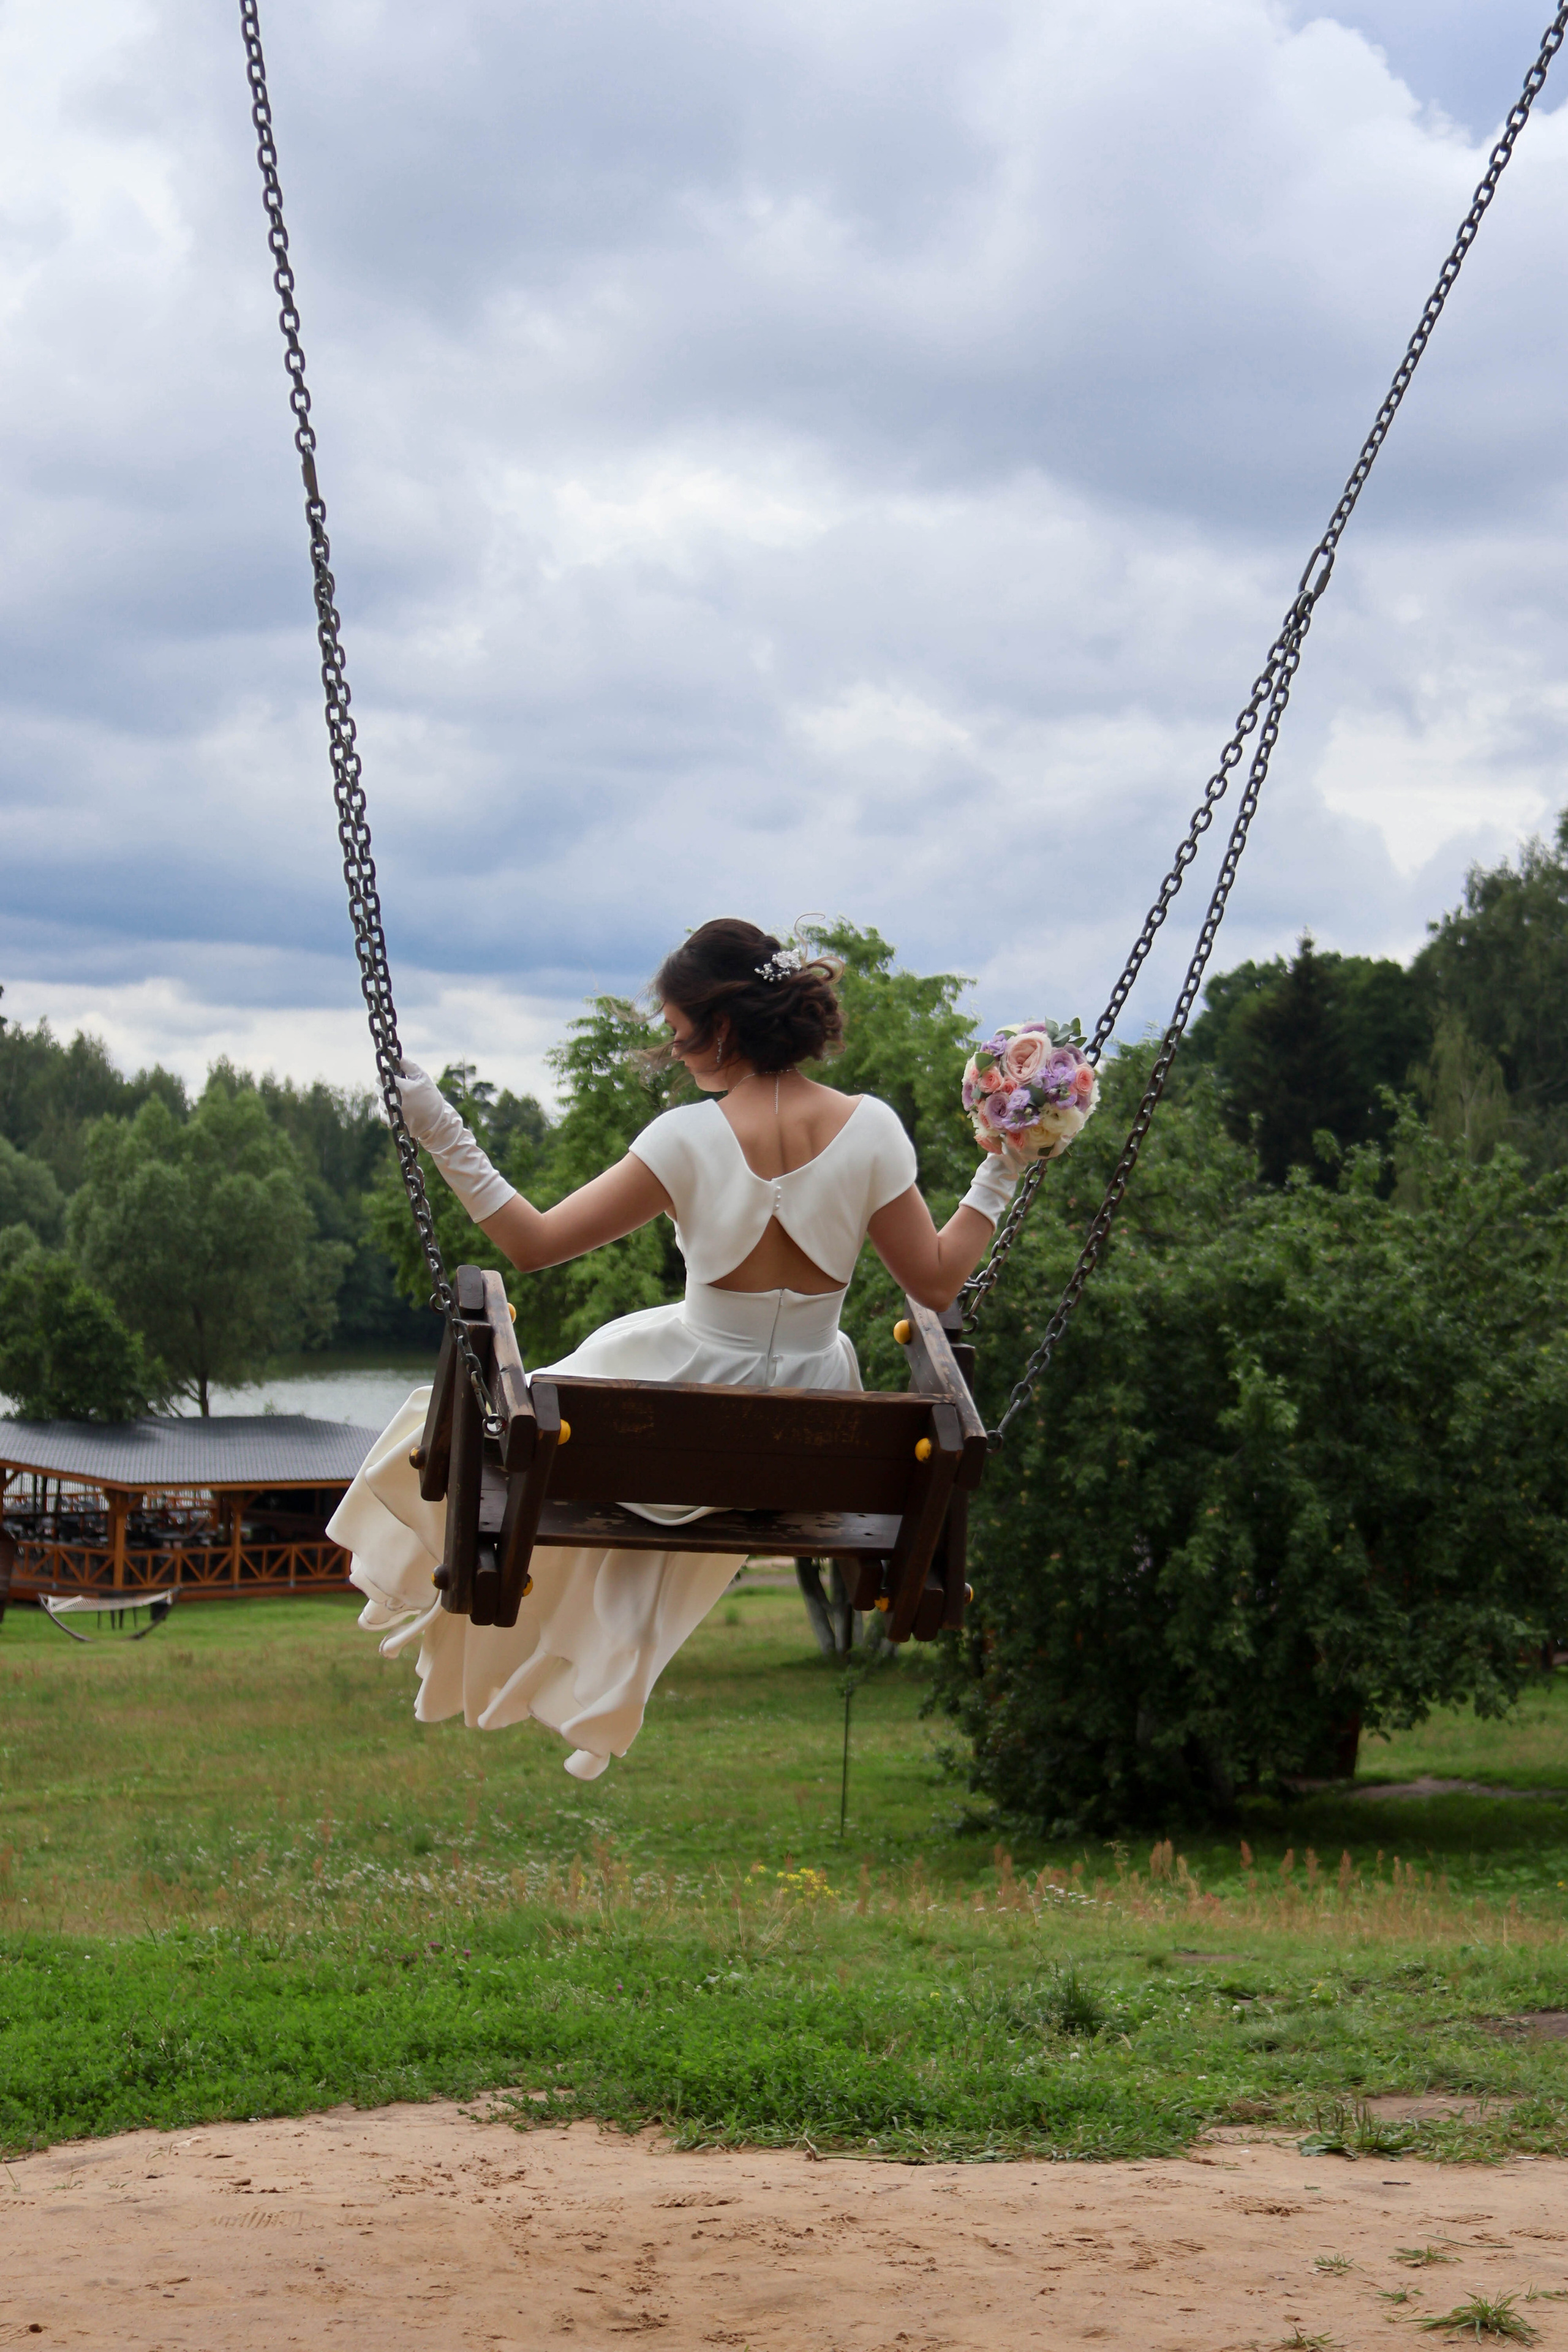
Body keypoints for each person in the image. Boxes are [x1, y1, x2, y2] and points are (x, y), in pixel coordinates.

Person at [328, 919, 1017, 1778]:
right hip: (808, 1433)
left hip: (674, 1405)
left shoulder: (685, 1140)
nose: (675, 1048)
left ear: (721, 1029)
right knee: (579, 1418)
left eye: (679, 1031)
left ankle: (415, 1581)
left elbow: (532, 1244)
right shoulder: (873, 1130)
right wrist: (1006, 1167)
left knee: (496, 1421)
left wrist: (443, 1134)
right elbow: (941, 1278)